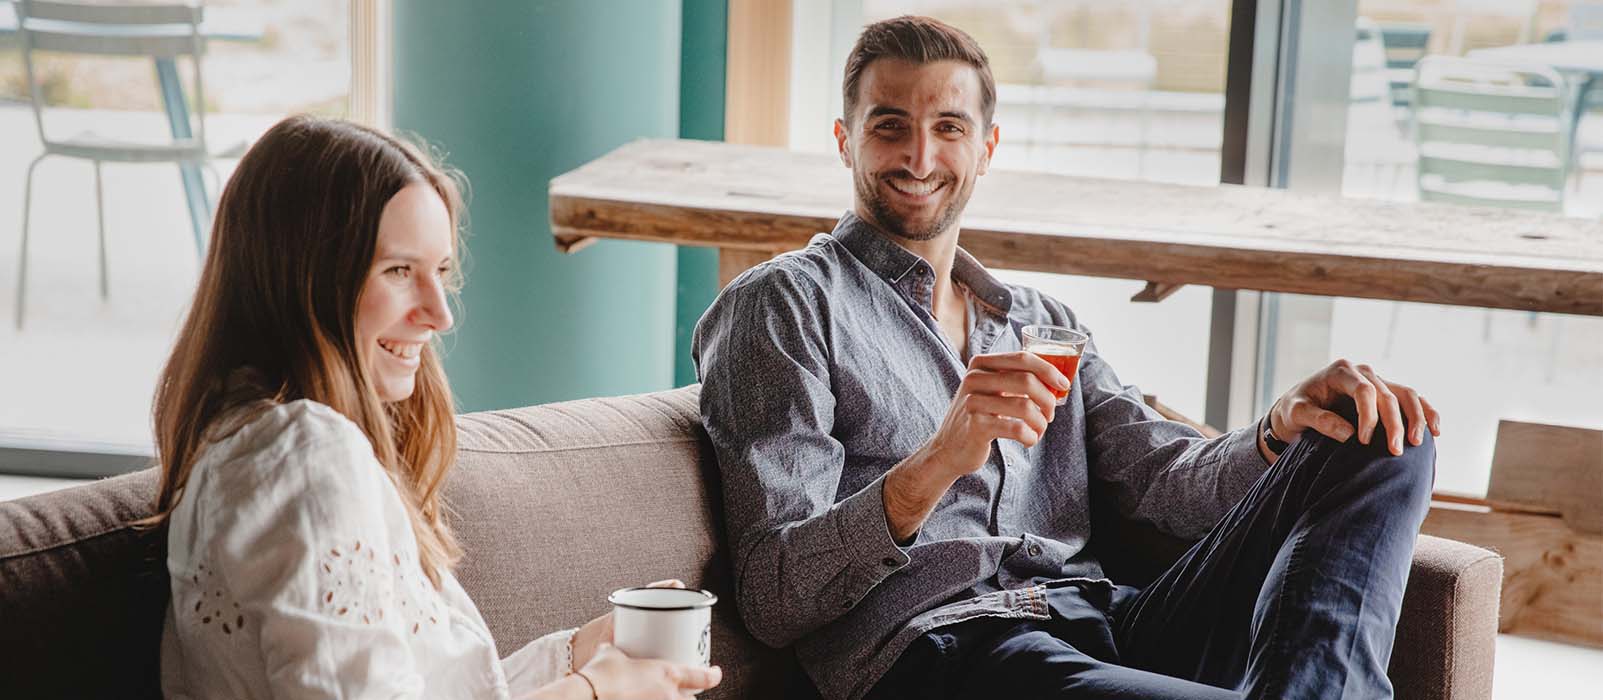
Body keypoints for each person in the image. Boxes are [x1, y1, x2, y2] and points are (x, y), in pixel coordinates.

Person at [693, 16, 1441, 700]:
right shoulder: (783, 305)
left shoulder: (1037, 322)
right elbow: (772, 596)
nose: (919, 155)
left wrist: (1277, 428)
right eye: (890, 126)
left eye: (947, 127)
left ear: (985, 149)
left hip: (1108, 624)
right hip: (950, 650)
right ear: (844, 139)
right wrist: (937, 461)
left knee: (1383, 436)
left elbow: (1169, 485)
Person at [147, 115, 721, 700]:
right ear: (304, 282)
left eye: (441, 272)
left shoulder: (251, 443)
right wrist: (593, 692)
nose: (440, 314)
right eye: (399, 271)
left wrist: (578, 655)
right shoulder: (308, 457)